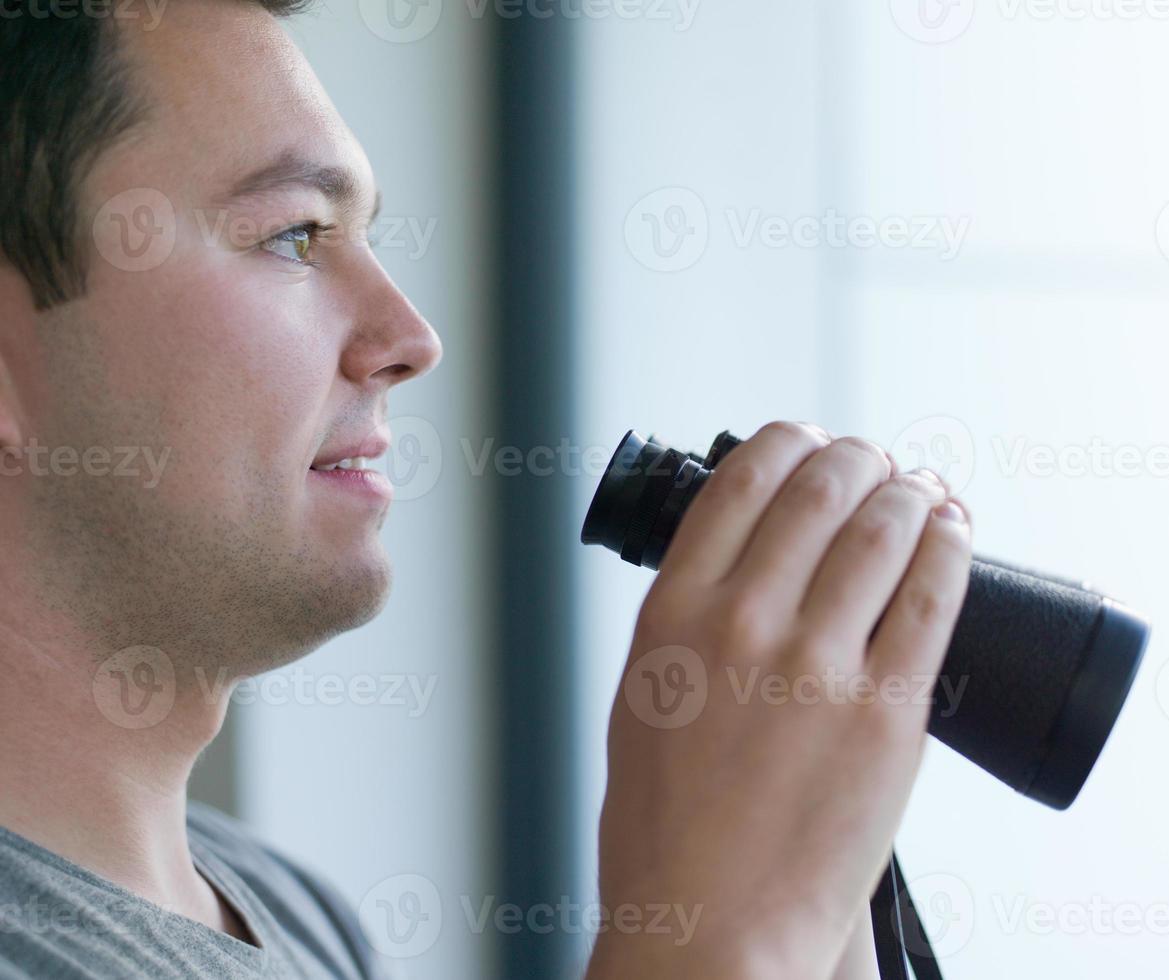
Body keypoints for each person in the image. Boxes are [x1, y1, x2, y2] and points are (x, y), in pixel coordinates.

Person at [0, 2, 972, 977]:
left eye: (362, 235)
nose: (410, 337)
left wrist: (810, 885)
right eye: (295, 234)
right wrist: (713, 935)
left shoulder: (294, 915)